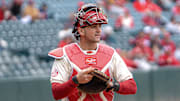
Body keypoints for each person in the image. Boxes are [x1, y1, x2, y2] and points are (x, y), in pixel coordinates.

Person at [48, 3, 137, 101]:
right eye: (93, 27)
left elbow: (132, 87)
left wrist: (114, 85)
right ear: (81, 31)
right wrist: (75, 81)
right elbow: (56, 93)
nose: (99, 30)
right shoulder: (65, 54)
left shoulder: (110, 53)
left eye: (100, 26)